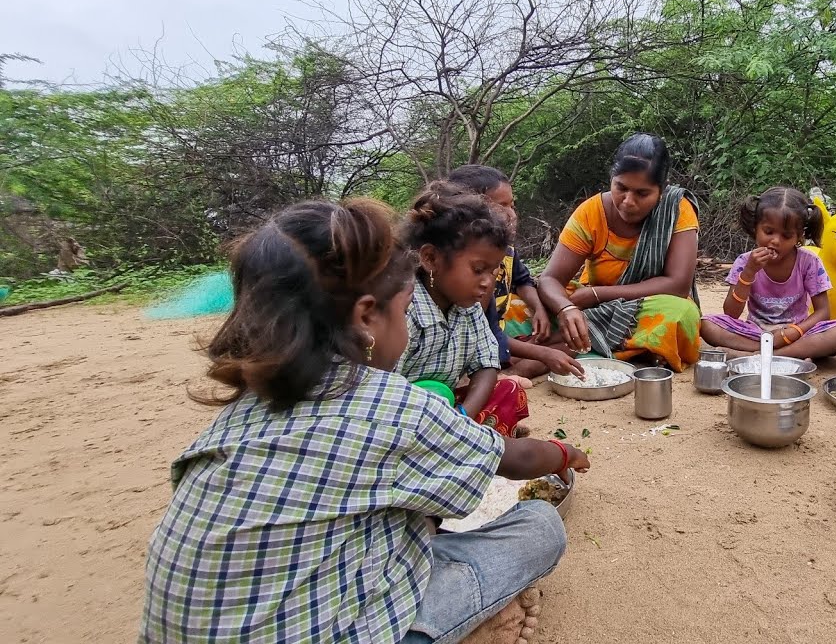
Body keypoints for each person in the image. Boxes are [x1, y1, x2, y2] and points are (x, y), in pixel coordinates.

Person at [139, 198, 590, 644]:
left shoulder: (235, 416)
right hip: (333, 625)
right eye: (403, 307)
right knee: (539, 527)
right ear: (367, 315)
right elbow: (516, 460)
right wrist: (567, 453)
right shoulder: (390, 405)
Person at [537, 133, 702, 372]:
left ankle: (577, 344)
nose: (627, 201)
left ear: (662, 190)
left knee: (681, 314)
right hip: (592, 310)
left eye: (642, 193)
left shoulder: (677, 210)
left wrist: (598, 294)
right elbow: (550, 278)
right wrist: (566, 308)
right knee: (522, 305)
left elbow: (677, 285)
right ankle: (625, 349)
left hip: (649, 306)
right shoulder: (591, 212)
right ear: (611, 179)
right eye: (621, 188)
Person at [398, 181, 532, 437]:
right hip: (400, 415)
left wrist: (462, 417)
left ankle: (467, 436)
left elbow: (486, 365)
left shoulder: (468, 307)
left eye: (493, 271)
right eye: (478, 269)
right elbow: (381, 389)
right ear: (431, 259)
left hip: (449, 413)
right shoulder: (404, 310)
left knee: (509, 392)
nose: (487, 281)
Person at [446, 165, 586, 381]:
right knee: (547, 355)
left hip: (496, 336)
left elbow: (522, 280)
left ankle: (507, 369)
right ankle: (503, 375)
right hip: (475, 345)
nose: (512, 214)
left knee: (574, 341)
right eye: (502, 206)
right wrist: (543, 354)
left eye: (512, 205)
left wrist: (539, 308)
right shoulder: (462, 272)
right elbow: (481, 331)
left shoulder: (507, 252)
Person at [701, 186, 836, 359]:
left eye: (786, 236)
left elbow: (823, 312)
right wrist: (749, 273)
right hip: (755, 333)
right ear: (755, 228)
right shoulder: (745, 262)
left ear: (799, 237)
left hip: (797, 333)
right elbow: (731, 313)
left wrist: (794, 331)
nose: (775, 241)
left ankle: (756, 355)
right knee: (707, 325)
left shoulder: (808, 262)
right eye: (768, 232)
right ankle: (779, 354)